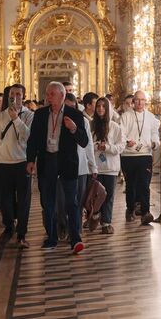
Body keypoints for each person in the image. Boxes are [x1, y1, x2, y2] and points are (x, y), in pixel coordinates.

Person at [26, 82, 89, 253]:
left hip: (67, 162)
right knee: (48, 203)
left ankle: (75, 239)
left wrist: (74, 129)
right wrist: (31, 160)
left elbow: (84, 141)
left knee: (72, 203)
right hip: (47, 160)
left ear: (62, 96)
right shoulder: (39, 114)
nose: (48, 97)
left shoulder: (75, 114)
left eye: (52, 94)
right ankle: (51, 238)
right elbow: (33, 140)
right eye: (47, 94)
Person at [0, 84, 34, 249]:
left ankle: (21, 233)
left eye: (18, 94)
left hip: (22, 163)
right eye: (12, 94)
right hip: (4, 163)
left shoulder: (29, 115)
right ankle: (9, 226)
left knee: (23, 200)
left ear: (23, 96)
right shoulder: (1, 116)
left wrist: (16, 119)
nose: (15, 97)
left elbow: (27, 136)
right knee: (4, 200)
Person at [57, 93, 97, 237]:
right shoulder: (55, 120)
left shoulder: (83, 121)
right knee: (61, 203)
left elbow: (89, 145)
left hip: (80, 168)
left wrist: (93, 166)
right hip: (61, 168)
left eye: (72, 107)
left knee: (78, 202)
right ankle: (63, 226)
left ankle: (77, 230)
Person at [119, 90, 160, 225]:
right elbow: (121, 134)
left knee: (144, 185)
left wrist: (155, 143)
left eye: (142, 100)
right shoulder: (126, 116)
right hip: (129, 155)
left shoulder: (150, 117)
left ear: (145, 101)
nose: (140, 102)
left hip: (145, 154)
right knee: (130, 184)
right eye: (137, 100)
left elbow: (154, 134)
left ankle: (145, 212)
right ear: (133, 102)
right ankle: (130, 209)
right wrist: (126, 142)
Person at [91, 97, 125, 233]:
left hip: (110, 167)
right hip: (96, 166)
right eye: (98, 106)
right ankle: (95, 214)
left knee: (109, 195)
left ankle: (106, 222)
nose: (100, 109)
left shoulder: (115, 127)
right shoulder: (91, 125)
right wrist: (96, 146)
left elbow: (121, 146)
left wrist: (108, 147)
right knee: (95, 195)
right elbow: (86, 144)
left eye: (103, 106)